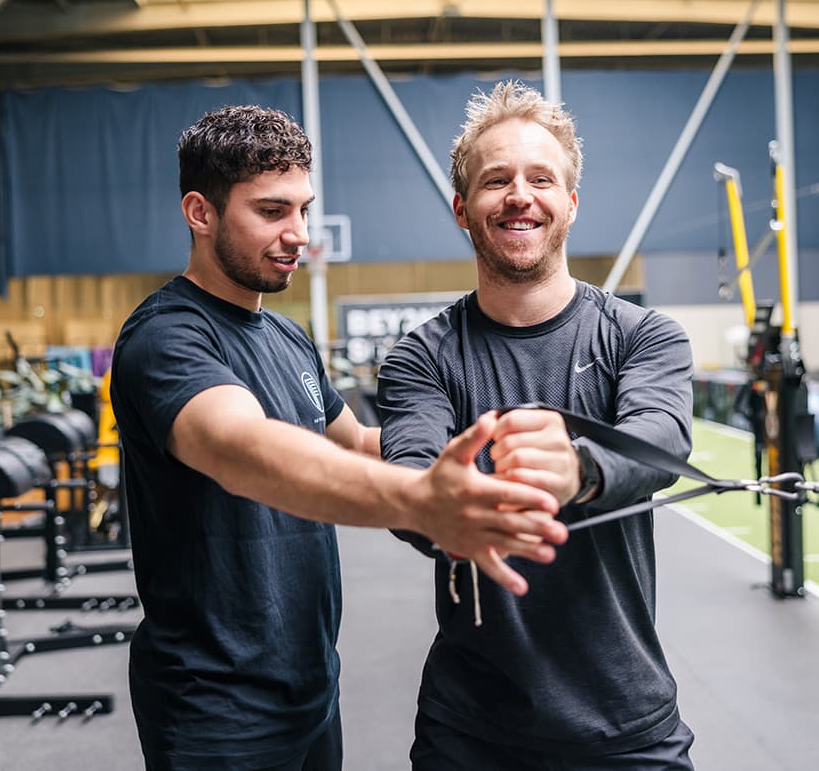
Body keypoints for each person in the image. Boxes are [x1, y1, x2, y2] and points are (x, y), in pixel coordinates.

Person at [109, 104, 568, 771]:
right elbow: (241, 450)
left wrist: (495, 459)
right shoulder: (167, 337)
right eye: (272, 212)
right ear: (200, 213)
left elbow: (355, 443)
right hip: (214, 705)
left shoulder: (285, 336)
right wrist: (420, 501)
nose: (298, 234)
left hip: (310, 684)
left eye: (303, 209)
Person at [377, 81, 696, 768]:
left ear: (570, 202)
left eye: (540, 179)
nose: (519, 195)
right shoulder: (421, 358)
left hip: (625, 720)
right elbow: (408, 479)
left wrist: (579, 467)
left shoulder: (642, 337)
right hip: (470, 731)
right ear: (462, 209)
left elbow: (660, 440)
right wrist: (439, 500)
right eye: (496, 181)